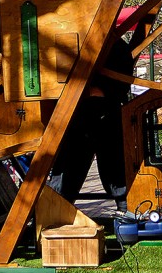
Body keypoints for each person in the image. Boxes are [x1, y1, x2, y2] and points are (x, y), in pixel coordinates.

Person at [52, 37, 134, 212]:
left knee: (113, 164)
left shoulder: (116, 47)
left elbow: (121, 82)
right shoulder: (115, 46)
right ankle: (57, 209)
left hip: (99, 110)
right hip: (84, 111)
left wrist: (98, 91)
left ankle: (127, 209)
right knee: (72, 164)